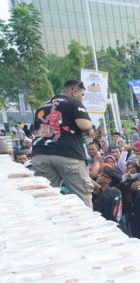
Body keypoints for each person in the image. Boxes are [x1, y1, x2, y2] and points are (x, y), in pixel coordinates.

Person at [30, 79, 95, 208]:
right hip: (68, 154)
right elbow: (83, 124)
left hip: (40, 153)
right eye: (82, 94)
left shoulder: (42, 105)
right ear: (73, 91)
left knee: (47, 196)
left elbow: (36, 129)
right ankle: (85, 227)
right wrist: (90, 129)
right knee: (81, 196)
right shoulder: (74, 103)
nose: (82, 98)